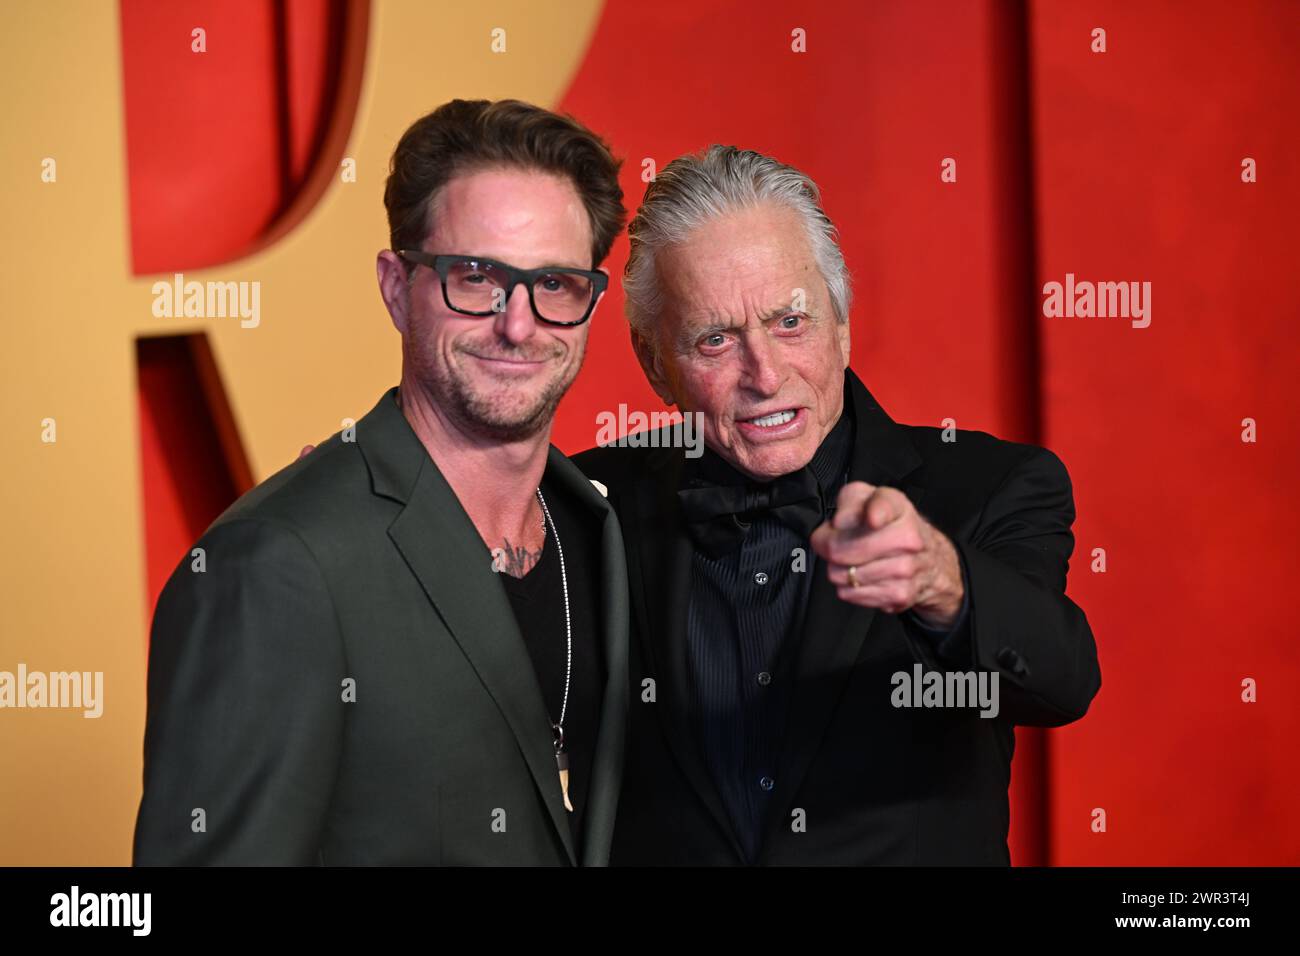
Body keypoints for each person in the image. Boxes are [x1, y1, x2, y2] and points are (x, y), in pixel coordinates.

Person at [134, 99, 629, 865]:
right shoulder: (278, 566)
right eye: (475, 277)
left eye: (555, 284)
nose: (519, 324)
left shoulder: (600, 531)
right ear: (397, 288)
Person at [575, 145, 1101, 865]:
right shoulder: (583, 502)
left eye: (791, 323)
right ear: (654, 363)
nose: (764, 374)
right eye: (715, 339)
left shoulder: (991, 484)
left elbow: (1060, 681)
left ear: (842, 322)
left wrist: (944, 585)